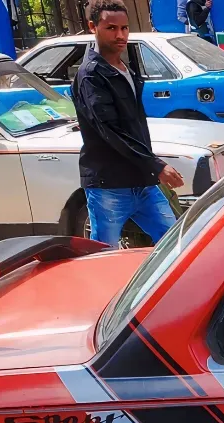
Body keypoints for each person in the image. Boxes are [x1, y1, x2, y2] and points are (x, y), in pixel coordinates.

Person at [73, 0, 186, 247]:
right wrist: (155, 165)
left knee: (176, 245)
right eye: (111, 28)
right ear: (93, 27)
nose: (120, 35)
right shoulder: (91, 75)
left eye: (124, 28)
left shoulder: (125, 68)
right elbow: (110, 131)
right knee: (105, 255)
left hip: (142, 181)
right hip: (109, 186)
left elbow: (133, 127)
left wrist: (150, 167)